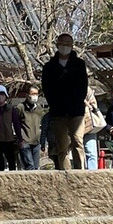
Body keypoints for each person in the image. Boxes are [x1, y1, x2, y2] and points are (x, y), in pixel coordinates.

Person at [41, 33, 88, 170]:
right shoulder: (49, 67)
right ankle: (65, 172)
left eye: (68, 43)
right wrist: (53, 103)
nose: (65, 46)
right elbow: (46, 88)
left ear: (72, 45)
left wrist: (78, 101)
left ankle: (80, 171)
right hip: (58, 111)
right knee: (61, 145)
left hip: (76, 110)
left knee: (77, 140)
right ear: (57, 45)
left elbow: (83, 86)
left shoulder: (79, 64)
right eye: (62, 43)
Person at [15, 85, 46, 171]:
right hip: (25, 141)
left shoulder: (39, 108)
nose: (35, 96)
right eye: (32, 94)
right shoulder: (20, 107)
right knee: (30, 166)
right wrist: (20, 139)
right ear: (27, 95)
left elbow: (41, 123)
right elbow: (16, 124)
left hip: (36, 141)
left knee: (36, 167)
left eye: (36, 94)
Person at [82, 86, 101, 170]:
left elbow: (94, 105)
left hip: (89, 123)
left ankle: (92, 172)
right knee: (76, 151)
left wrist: (86, 103)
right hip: (73, 123)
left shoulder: (87, 89)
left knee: (91, 152)